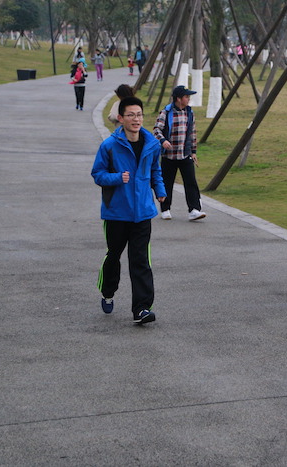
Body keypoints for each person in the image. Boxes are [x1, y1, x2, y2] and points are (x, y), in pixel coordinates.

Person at [91, 96, 167, 325]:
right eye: (131, 115)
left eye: (139, 115)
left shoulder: (152, 144)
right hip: (116, 213)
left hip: (143, 212)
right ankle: (108, 291)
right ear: (121, 118)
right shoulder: (109, 146)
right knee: (114, 255)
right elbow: (97, 174)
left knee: (140, 260)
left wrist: (160, 190)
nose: (136, 119)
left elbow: (155, 171)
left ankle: (142, 308)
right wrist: (117, 178)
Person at [153, 85, 206, 221]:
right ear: (178, 98)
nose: (188, 99)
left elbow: (192, 133)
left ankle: (194, 210)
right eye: (186, 97)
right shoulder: (166, 112)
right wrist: (163, 141)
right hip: (168, 156)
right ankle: (165, 209)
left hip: (185, 154)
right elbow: (157, 130)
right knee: (167, 182)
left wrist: (193, 151)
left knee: (191, 182)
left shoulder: (189, 112)